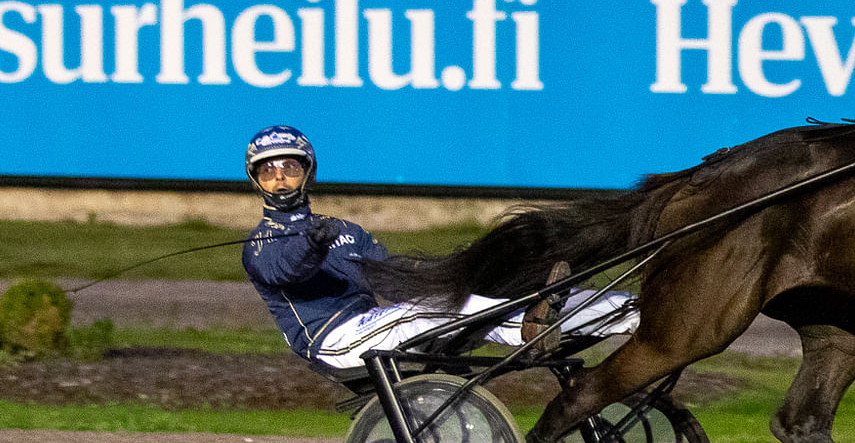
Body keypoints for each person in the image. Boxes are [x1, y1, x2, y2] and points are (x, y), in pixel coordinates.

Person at [240, 125, 633, 373]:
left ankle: (629, 313)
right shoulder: (260, 244)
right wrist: (312, 244)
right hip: (332, 340)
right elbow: (286, 270)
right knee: (432, 311)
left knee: (467, 297)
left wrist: (453, 272)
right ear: (256, 180)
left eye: (290, 168)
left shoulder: (346, 230)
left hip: (372, 325)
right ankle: (531, 328)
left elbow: (391, 275)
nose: (281, 180)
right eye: (268, 171)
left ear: (308, 172)